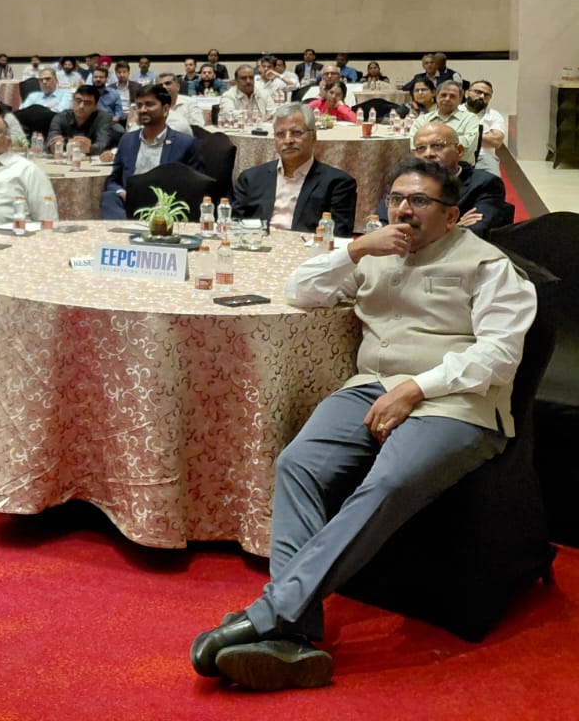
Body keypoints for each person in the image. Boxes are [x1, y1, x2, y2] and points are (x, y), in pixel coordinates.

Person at [190, 158, 535, 691]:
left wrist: (416, 389)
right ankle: (293, 632)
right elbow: (299, 290)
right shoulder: (377, 251)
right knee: (297, 463)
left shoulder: (489, 266)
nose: (403, 210)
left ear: (452, 215)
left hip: (456, 402)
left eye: (419, 201)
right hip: (372, 386)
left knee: (388, 481)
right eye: (396, 198)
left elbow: (499, 357)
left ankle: (271, 612)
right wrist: (354, 250)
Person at [230, 104, 357, 236]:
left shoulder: (337, 184)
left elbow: (339, 237)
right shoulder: (251, 179)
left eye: (296, 133)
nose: (288, 140)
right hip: (257, 245)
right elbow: (234, 225)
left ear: (314, 137)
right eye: (280, 134)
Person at [371, 122, 508, 237]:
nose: (428, 154)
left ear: (459, 151)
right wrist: (454, 226)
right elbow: (380, 226)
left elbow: (477, 231)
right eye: (421, 148)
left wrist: (409, 232)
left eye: (438, 146)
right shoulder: (403, 181)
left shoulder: (484, 183)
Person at [101, 86, 196, 219]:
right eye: (139, 105)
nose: (142, 110)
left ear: (165, 109)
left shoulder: (184, 143)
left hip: (165, 206)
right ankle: (124, 229)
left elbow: (195, 185)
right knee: (109, 197)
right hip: (130, 201)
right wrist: (120, 191)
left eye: (149, 104)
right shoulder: (127, 140)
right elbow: (113, 179)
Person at [410, 80, 480, 165]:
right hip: (427, 167)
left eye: (452, 96)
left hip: (460, 168)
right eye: (443, 95)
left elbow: (468, 145)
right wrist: (446, 144)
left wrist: (430, 144)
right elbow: (413, 146)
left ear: (460, 99)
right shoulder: (422, 120)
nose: (447, 99)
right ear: (436, 96)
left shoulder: (470, 119)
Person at [48, 85, 122, 156]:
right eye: (78, 101)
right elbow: (49, 142)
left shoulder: (103, 118)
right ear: (73, 101)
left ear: (95, 106)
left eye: (87, 103)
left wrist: (89, 148)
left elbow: (102, 145)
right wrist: (52, 146)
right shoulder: (61, 117)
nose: (81, 106)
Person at [463, 80, 507, 175]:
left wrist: (464, 132)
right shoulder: (455, 111)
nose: (482, 96)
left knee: (493, 180)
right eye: (478, 92)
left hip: (484, 157)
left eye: (487, 95)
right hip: (458, 155)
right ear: (466, 93)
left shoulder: (494, 115)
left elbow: (496, 141)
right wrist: (485, 135)